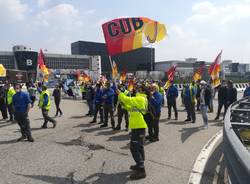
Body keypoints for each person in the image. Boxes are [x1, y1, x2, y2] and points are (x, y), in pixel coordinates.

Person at [117, 85, 148, 180]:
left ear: (142, 91)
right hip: (137, 126)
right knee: (139, 147)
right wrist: (124, 104)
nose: (136, 90)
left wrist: (120, 94)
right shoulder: (139, 99)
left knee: (134, 148)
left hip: (138, 127)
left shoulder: (141, 98)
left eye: (138, 89)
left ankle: (142, 170)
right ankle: (140, 164)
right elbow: (131, 107)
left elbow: (128, 100)